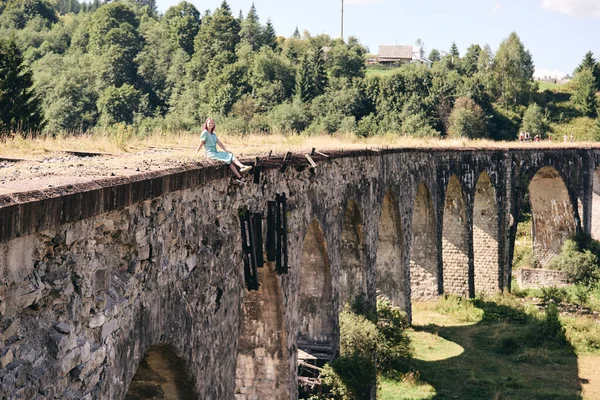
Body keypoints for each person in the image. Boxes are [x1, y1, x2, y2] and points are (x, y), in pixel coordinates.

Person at [196, 117, 251, 181]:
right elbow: (201, 143)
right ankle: (242, 166)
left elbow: (219, 142)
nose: (211, 124)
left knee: (230, 161)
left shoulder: (213, 134)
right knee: (230, 156)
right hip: (210, 153)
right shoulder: (205, 132)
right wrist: (196, 152)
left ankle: (239, 177)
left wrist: (225, 150)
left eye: (212, 123)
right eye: (209, 123)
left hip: (215, 152)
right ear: (206, 124)